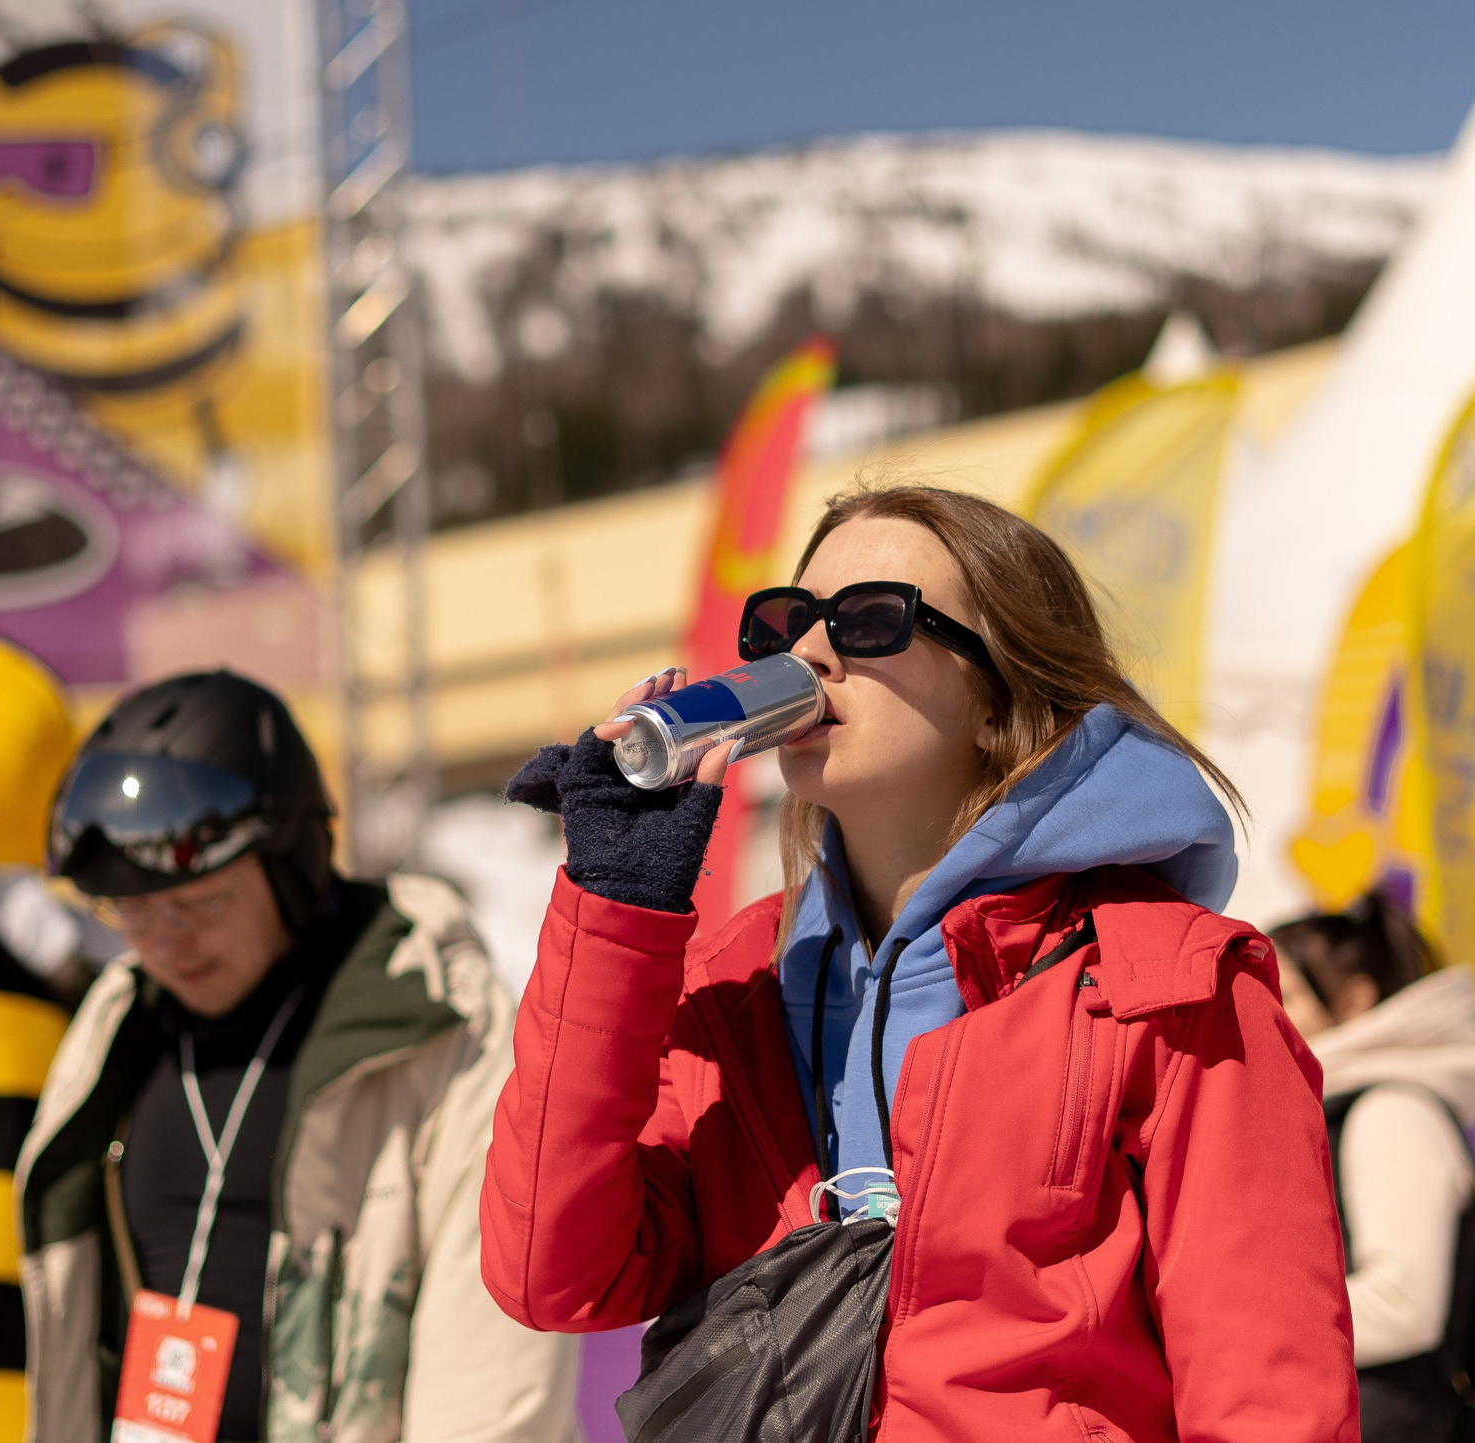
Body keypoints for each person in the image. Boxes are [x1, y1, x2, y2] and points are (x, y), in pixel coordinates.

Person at [481, 485, 1360, 1442]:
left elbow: (1271, 1407)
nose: (809, 656)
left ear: (1000, 704)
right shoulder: (735, 984)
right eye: (787, 622)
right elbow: (551, 1273)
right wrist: (617, 908)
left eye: (869, 619)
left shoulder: (1174, 990)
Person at [15, 670, 577, 1443]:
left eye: (199, 902)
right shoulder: (121, 1024)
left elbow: (492, 1371)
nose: (163, 940)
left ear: (291, 863)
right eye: (132, 912)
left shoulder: (436, 1022)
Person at [1273, 894, 1475, 1443]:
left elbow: (1404, 1305)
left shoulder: (1393, 1110)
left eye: (1286, 993)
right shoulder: (1337, 1103)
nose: (1265, 1010)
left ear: (1354, 999)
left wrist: (1241, 1318)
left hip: (1375, 1420)